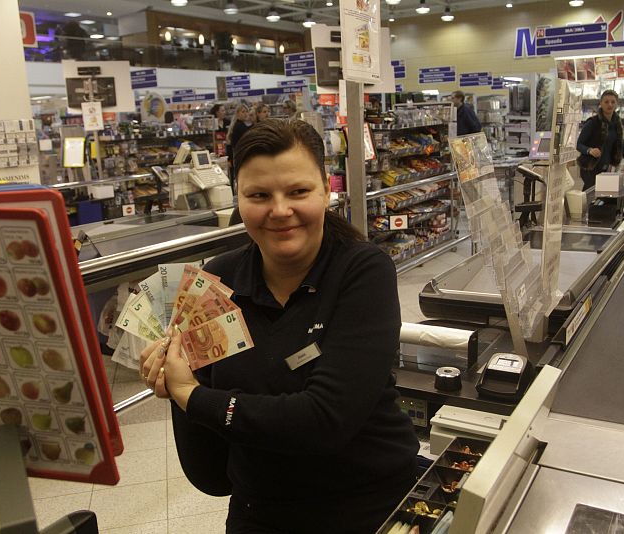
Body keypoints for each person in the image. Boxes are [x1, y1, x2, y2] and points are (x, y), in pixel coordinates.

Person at [140, 119, 419, 533]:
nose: (280, 210)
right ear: (238, 199)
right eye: (258, 195)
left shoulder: (361, 271)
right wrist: (169, 381)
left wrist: (190, 396)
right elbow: (209, 469)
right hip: (260, 512)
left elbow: (325, 420)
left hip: (368, 507)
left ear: (326, 189)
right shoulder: (216, 281)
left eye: (298, 191)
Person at [576, 89, 624, 190]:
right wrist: (590, 150)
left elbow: (620, 144)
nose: (610, 104)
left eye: (613, 102)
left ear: (617, 104)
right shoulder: (592, 123)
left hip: (607, 167)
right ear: (601, 103)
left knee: (604, 196)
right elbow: (578, 144)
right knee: (591, 196)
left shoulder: (616, 124)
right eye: (606, 101)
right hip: (591, 167)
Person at [226, 104, 251, 185]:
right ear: (237, 113)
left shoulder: (238, 124)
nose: (246, 114)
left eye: (247, 111)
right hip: (240, 157)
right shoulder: (239, 126)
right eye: (243, 112)